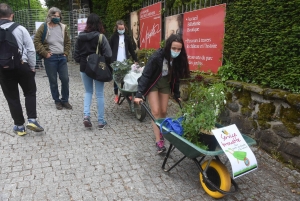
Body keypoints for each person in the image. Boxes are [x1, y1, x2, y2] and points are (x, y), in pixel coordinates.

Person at [134, 34, 190, 153]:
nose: (176, 51)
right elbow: (146, 75)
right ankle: (158, 140)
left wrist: (176, 94)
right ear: (168, 46)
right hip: (153, 83)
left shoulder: (177, 60)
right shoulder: (157, 57)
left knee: (164, 111)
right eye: (174, 48)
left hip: (165, 84)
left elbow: (176, 78)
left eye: (179, 49)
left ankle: (161, 129)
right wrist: (139, 93)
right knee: (155, 111)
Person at [0, 3, 44, 136]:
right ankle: (32, 119)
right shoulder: (20, 29)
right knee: (30, 92)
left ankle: (19, 126)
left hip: (3, 68)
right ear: (11, 15)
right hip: (21, 64)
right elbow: (31, 49)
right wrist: (32, 66)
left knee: (12, 97)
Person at [74, 13, 112, 129]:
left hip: (84, 68)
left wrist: (84, 60)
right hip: (98, 68)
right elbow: (109, 54)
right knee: (99, 94)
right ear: (99, 23)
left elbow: (75, 56)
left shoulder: (80, 37)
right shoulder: (101, 37)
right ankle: (101, 121)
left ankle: (86, 116)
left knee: (88, 92)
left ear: (87, 23)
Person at [34, 7, 72, 110]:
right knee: (53, 81)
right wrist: (45, 53)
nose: (56, 18)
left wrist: (66, 53)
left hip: (62, 57)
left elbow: (68, 42)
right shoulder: (44, 27)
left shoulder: (63, 27)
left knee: (65, 79)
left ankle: (65, 100)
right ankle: (57, 101)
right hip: (50, 59)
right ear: (50, 16)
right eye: (54, 16)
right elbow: (36, 41)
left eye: (58, 16)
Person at [109, 20, 138, 103]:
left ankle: (128, 94)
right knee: (116, 80)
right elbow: (109, 49)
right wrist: (109, 60)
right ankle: (116, 95)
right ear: (117, 28)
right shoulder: (113, 37)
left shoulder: (127, 37)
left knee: (126, 79)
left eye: (123, 28)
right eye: (120, 28)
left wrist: (136, 60)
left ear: (125, 27)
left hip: (125, 62)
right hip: (116, 62)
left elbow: (131, 50)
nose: (121, 30)